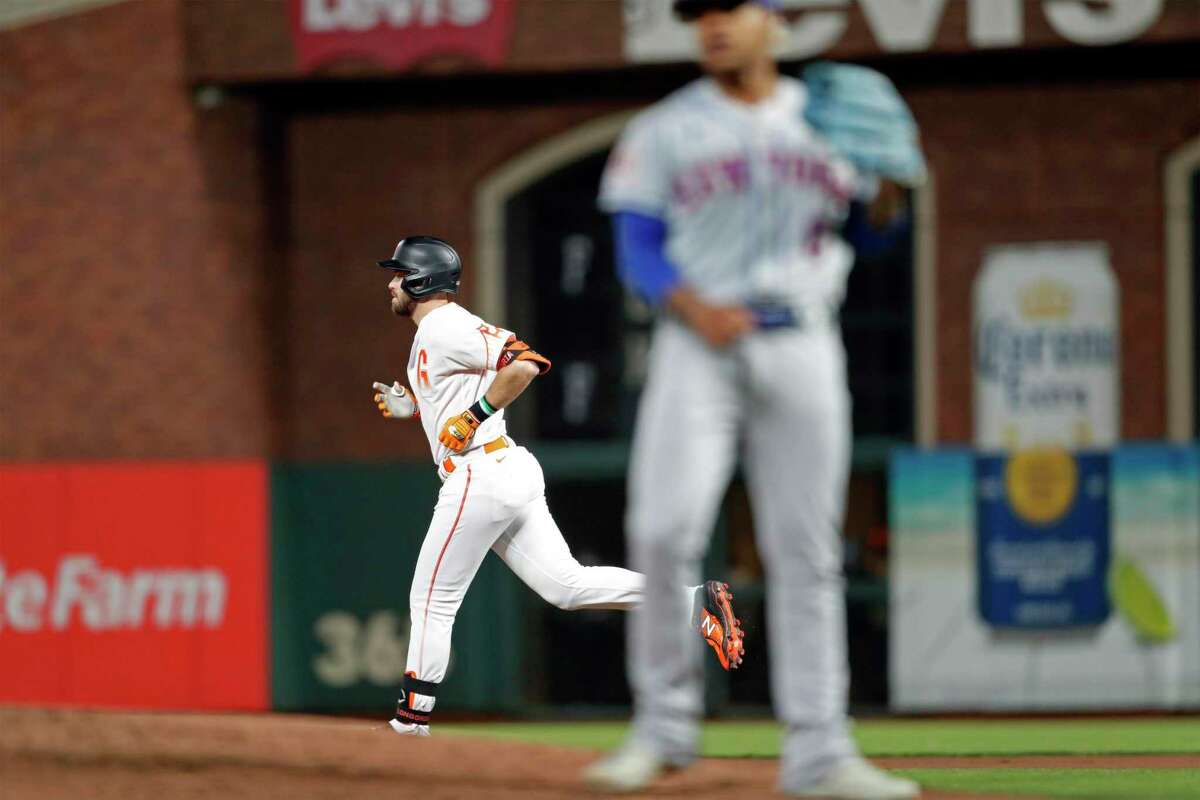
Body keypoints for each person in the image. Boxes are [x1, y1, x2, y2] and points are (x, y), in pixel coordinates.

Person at [583, 1, 921, 797]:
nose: (712, 24)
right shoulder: (663, 129)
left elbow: (871, 236)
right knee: (664, 531)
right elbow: (635, 243)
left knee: (806, 552)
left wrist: (894, 187)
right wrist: (691, 304)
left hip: (802, 338)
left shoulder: (828, 118)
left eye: (729, 8)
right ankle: (662, 732)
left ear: (775, 21)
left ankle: (822, 754)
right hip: (698, 345)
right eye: (697, 13)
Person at [371, 235, 745, 737]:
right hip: (502, 470)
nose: (391, 283)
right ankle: (693, 601)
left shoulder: (444, 327)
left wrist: (475, 414)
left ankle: (410, 723)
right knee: (566, 586)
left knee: (432, 600)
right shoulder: (434, 333)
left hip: (479, 474)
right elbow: (458, 391)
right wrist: (414, 407)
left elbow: (526, 362)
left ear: (419, 281)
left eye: (398, 274)